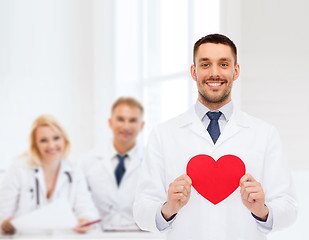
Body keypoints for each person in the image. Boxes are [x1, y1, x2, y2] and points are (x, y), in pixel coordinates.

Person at [133, 34, 297, 239]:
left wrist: (262, 211)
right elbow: (141, 210)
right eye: (205, 64)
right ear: (194, 72)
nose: (214, 73)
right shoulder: (163, 134)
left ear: (235, 71)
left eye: (224, 64)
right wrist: (168, 208)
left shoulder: (265, 134)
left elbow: (289, 207)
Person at [0, 115, 99, 234]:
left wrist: (85, 220)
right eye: (43, 140)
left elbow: (87, 209)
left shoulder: (74, 171)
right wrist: (5, 222)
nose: (51, 145)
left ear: (64, 139)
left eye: (56, 138)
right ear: (35, 145)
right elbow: (3, 212)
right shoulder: (19, 169)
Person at [82, 97, 145, 230]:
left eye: (132, 120)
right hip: (99, 235)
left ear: (142, 125)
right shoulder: (87, 161)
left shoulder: (152, 160)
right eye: (120, 119)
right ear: (110, 123)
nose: (126, 126)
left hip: (140, 236)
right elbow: (81, 202)